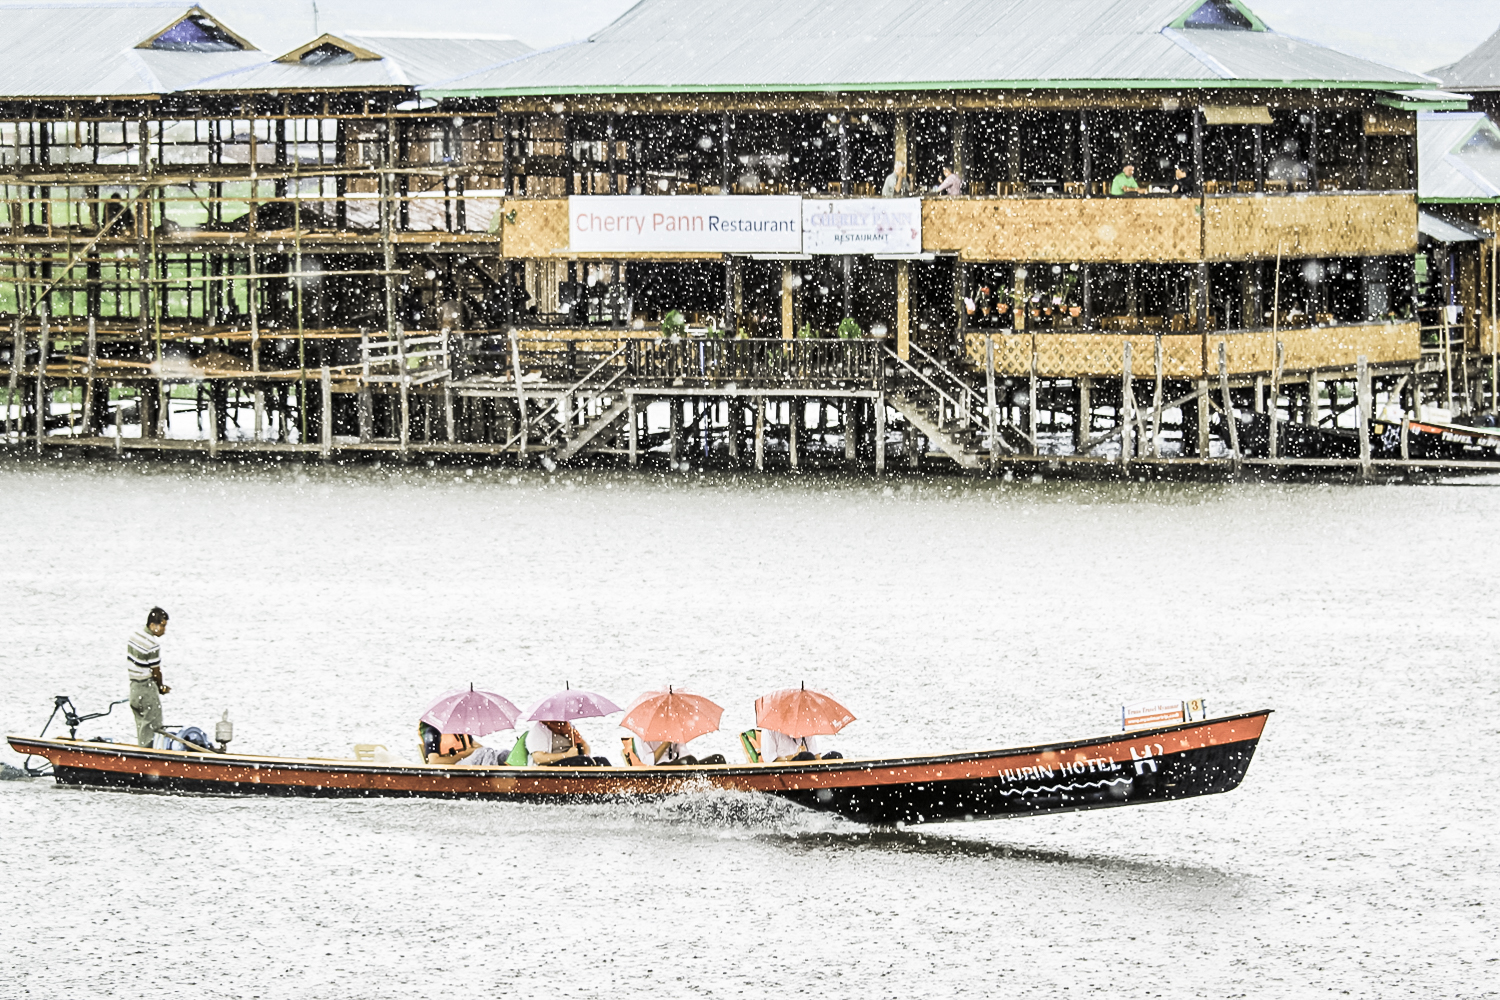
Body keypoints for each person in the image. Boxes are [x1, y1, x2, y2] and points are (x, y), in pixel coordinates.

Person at [127, 607, 170, 747]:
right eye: (162, 626)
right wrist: (161, 687)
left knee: (142, 725)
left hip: (134, 688)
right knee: (153, 726)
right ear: (152, 625)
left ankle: (141, 750)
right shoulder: (152, 645)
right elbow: (156, 672)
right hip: (146, 688)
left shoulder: (134, 636)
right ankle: (149, 755)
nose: (164, 630)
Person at [528, 719, 610, 767]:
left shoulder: (567, 727)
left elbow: (584, 745)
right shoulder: (540, 729)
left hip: (573, 762)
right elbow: (539, 758)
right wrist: (566, 755)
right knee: (583, 761)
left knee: (602, 761)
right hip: (550, 767)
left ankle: (610, 787)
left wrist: (586, 755)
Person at [761, 728, 843, 762]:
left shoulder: (805, 727)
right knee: (806, 756)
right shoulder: (769, 730)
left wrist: (824, 768)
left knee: (835, 756)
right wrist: (795, 755)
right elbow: (770, 760)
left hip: (808, 767)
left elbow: (816, 756)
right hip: (785, 769)